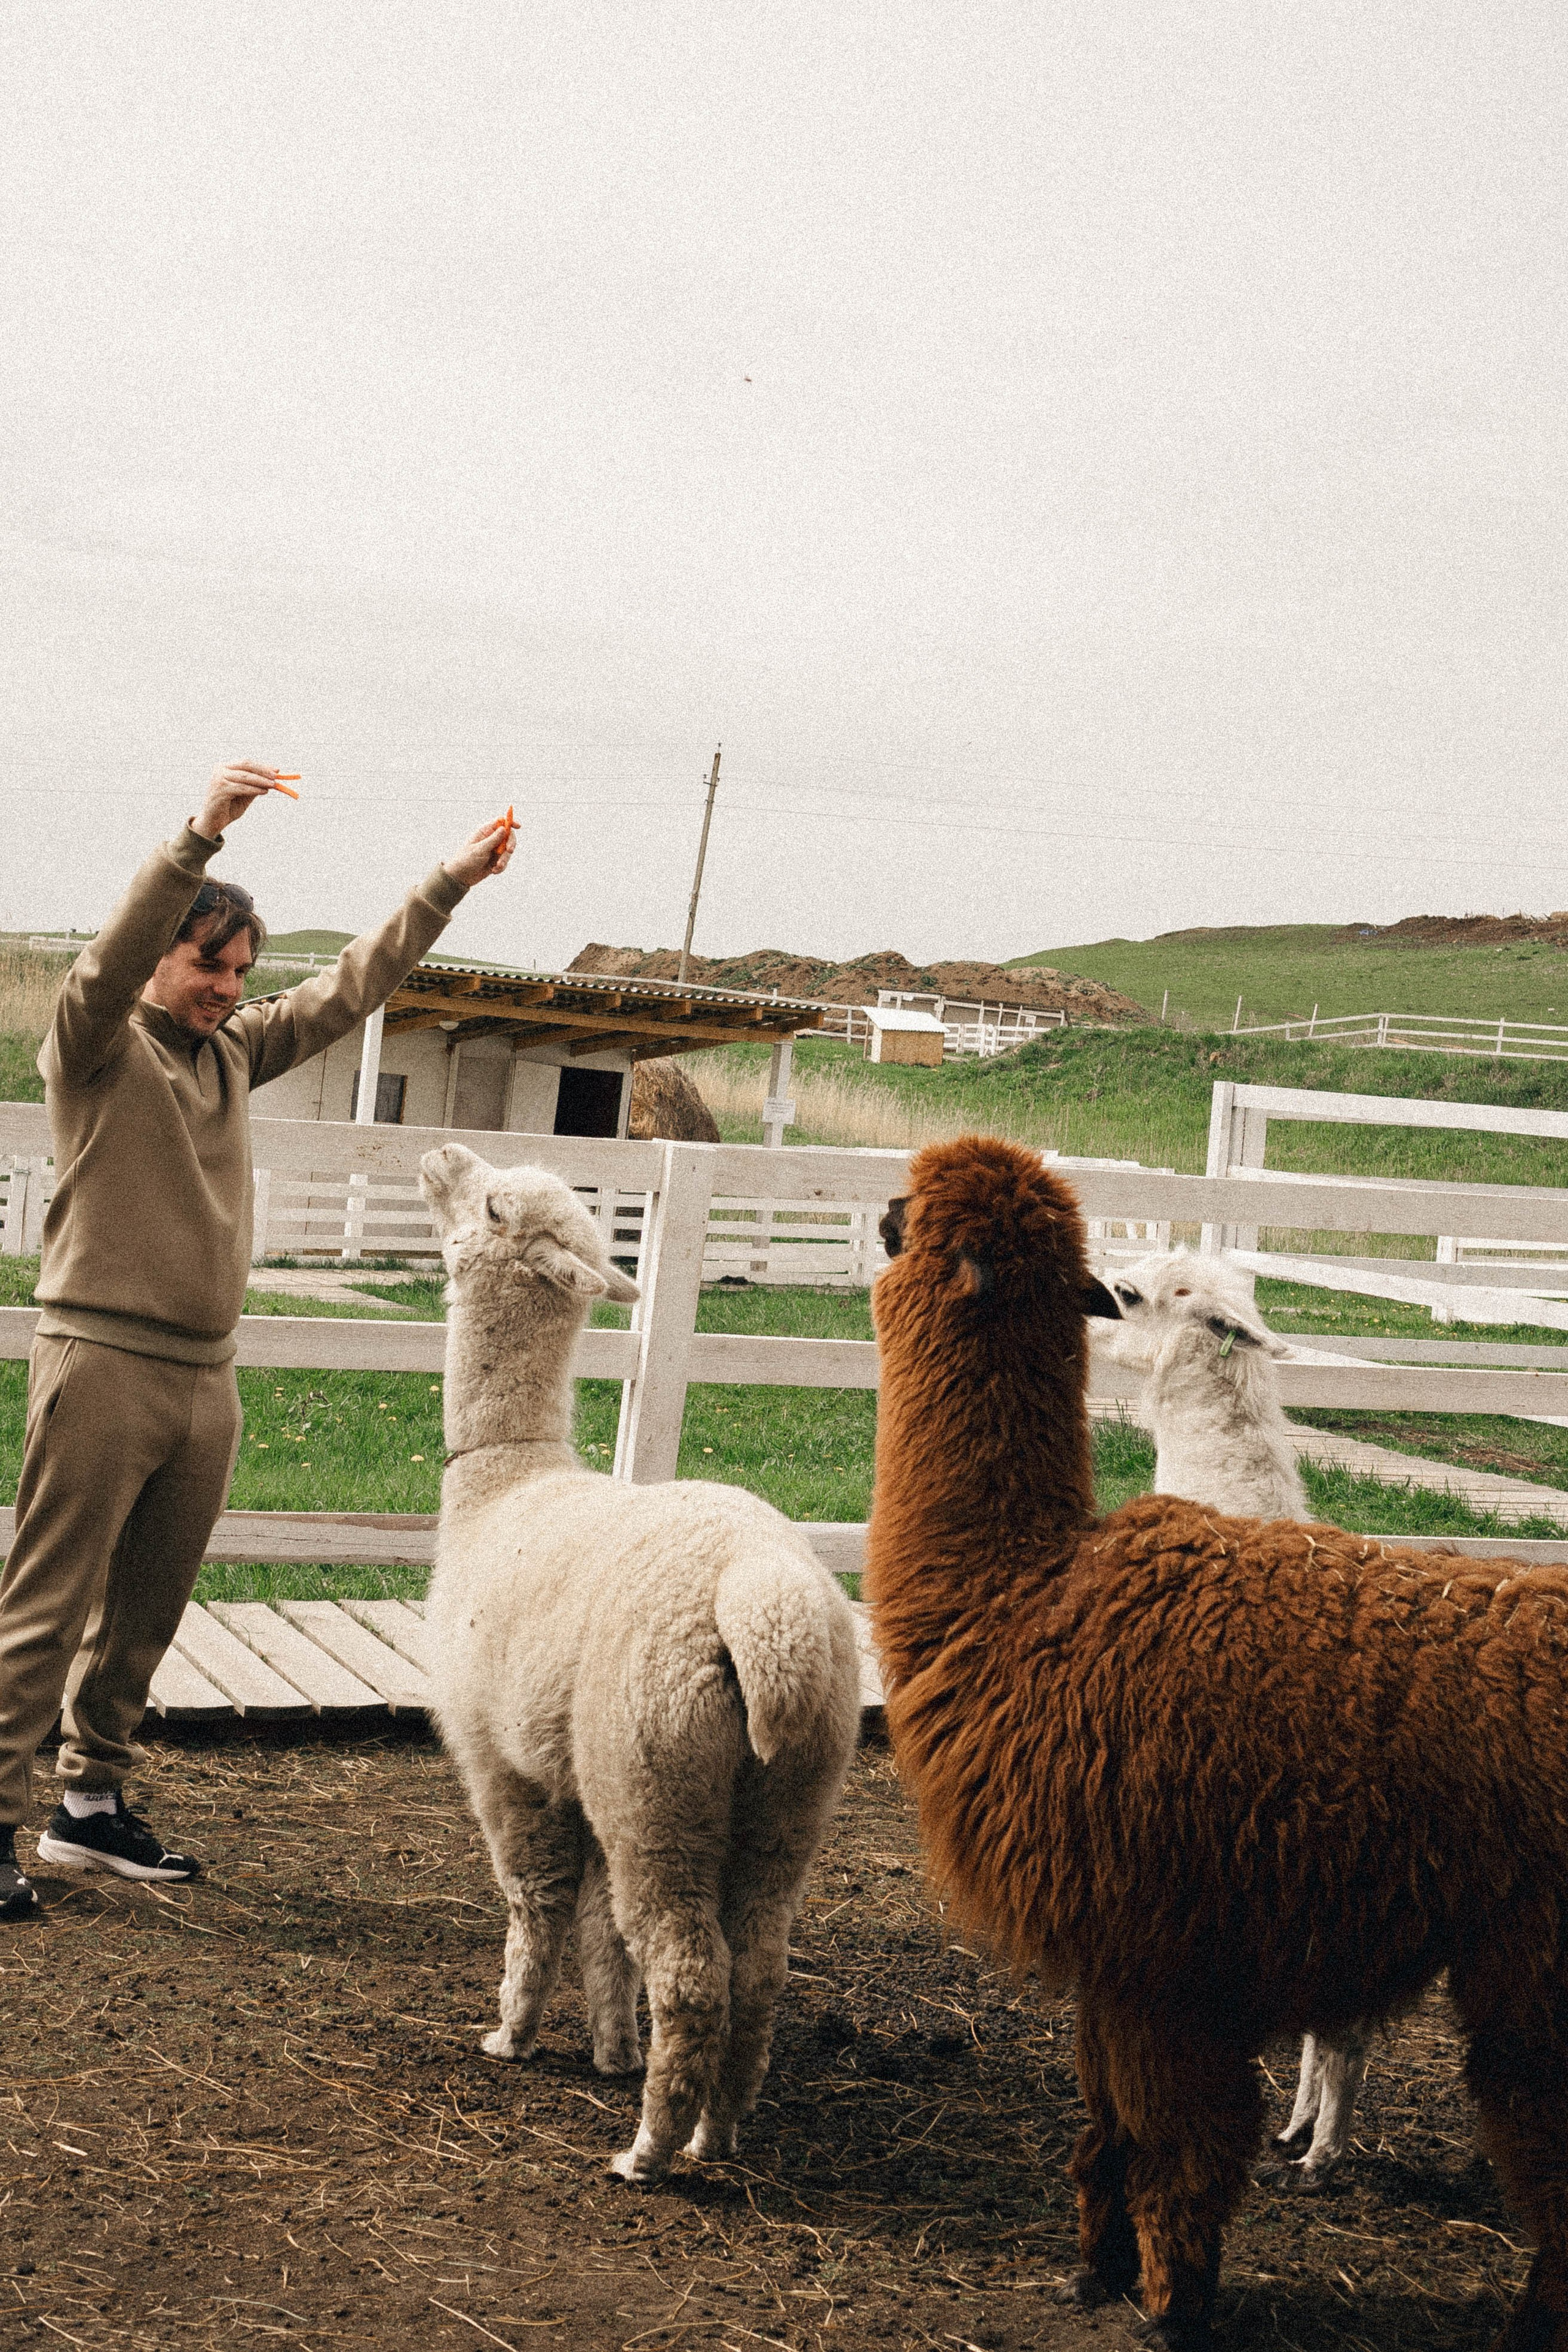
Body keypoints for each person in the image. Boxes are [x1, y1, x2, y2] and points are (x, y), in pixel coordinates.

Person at [0, 762, 514, 1918]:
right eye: (205, 964)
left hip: (204, 1377)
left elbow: (350, 987)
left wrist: (448, 883)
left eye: (238, 971)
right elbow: (103, 966)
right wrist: (198, 838)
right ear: (159, 960)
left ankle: (88, 1811)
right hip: (100, 1363)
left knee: (147, 1614)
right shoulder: (92, 1049)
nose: (225, 989)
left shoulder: (234, 1053)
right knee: (44, 1606)